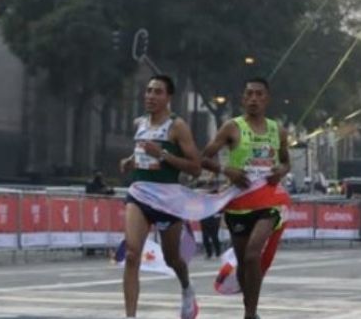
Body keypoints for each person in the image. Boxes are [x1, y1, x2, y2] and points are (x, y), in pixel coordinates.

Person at [201, 78, 291, 319]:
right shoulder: (231, 127)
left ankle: (250, 314)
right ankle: (248, 307)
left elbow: (285, 161)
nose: (253, 98)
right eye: (249, 94)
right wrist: (226, 170)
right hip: (239, 204)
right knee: (244, 263)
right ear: (243, 99)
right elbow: (204, 158)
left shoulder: (278, 130)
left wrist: (280, 172)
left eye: (259, 94)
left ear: (266, 99)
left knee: (253, 254)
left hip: (269, 202)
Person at [119, 75, 202, 319]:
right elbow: (142, 155)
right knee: (132, 254)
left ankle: (186, 287)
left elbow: (195, 167)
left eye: (157, 92)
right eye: (148, 91)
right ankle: (130, 315)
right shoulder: (141, 123)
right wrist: (129, 161)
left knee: (172, 258)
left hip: (167, 200)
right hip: (139, 195)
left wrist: (163, 154)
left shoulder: (177, 126)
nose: (151, 96)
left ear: (168, 98)